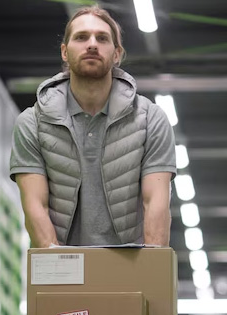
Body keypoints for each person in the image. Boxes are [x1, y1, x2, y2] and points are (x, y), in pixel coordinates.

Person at [9, 5, 176, 248]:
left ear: (117, 54)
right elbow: (36, 208)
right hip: (66, 267)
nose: (92, 44)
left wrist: (148, 277)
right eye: (81, 37)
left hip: (131, 266)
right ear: (65, 52)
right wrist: (60, 275)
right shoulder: (32, 123)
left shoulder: (151, 120)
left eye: (102, 38)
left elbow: (156, 207)